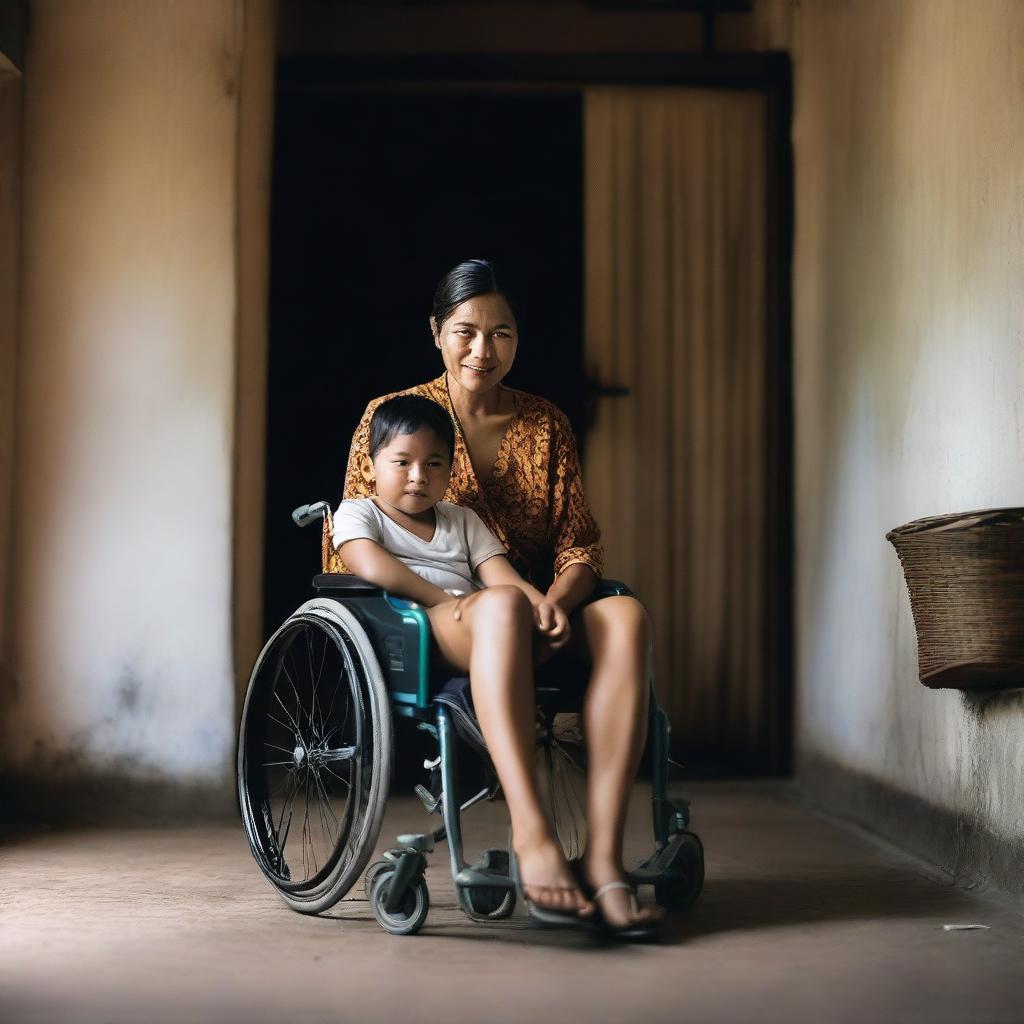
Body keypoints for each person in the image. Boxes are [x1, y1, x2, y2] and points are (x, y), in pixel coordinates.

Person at [331, 260, 661, 938]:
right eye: (466, 331)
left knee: (624, 615)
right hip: (442, 618)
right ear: (436, 333)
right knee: (503, 608)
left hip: (532, 602)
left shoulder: (547, 425)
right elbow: (355, 538)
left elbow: (579, 546)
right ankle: (534, 834)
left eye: (501, 333)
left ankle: (603, 861)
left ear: (517, 339)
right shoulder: (392, 418)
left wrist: (558, 602)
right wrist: (476, 599)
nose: (484, 350)